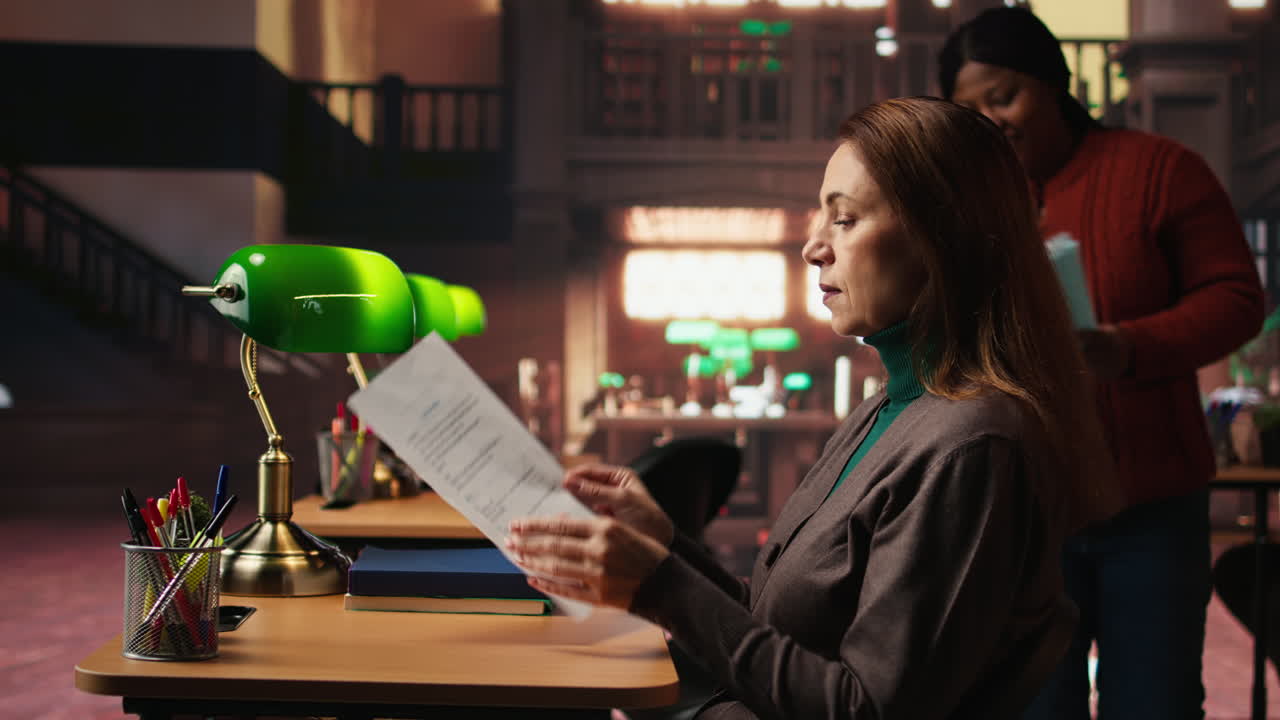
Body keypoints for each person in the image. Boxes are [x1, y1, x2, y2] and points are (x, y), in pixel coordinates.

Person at [506, 96, 1114, 719]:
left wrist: (662, 587)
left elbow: (865, 708)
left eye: (845, 220)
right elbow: (780, 627)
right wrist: (667, 548)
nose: (813, 247)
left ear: (943, 236)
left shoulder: (972, 447)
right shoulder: (887, 408)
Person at [939, 8, 1267, 719]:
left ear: (1054, 84)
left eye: (1004, 96)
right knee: (1034, 707)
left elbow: (1238, 298)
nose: (992, 120)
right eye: (972, 111)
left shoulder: (1159, 169)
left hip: (1150, 503)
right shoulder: (970, 207)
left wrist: (1127, 347)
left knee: (1155, 703)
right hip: (1027, 514)